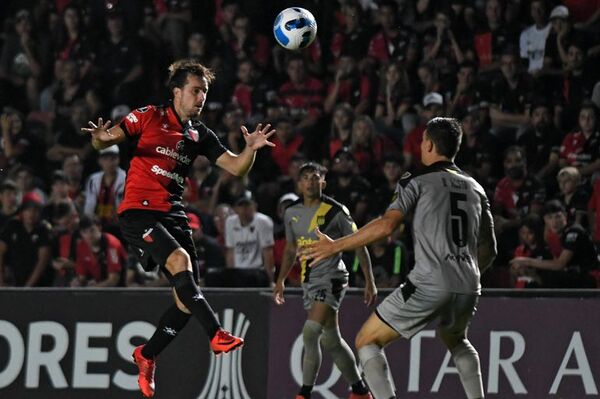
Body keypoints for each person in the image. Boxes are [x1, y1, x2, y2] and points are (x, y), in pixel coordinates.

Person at [80, 59, 275, 398]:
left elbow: (237, 167)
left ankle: (147, 354)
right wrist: (99, 139)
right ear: (177, 92)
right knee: (180, 261)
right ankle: (216, 333)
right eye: (196, 90)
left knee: (186, 299)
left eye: (205, 92)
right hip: (138, 213)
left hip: (172, 214)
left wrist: (250, 150)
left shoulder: (200, 134)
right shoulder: (148, 116)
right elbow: (104, 139)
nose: (201, 97)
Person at [302, 118, 497, 399]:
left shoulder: (416, 180)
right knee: (456, 340)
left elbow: (386, 226)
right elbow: (490, 250)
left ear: (428, 144)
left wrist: (336, 246)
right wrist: (464, 273)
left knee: (366, 341)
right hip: (469, 283)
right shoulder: (477, 189)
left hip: (429, 282)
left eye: (422, 141)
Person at [273, 161, 376, 399]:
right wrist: (280, 280)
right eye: (306, 177)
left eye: (315, 176)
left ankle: (304, 394)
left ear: (323, 182)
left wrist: (369, 280)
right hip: (309, 280)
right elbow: (290, 249)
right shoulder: (291, 213)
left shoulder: (336, 211)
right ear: (299, 183)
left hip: (332, 277)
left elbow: (359, 243)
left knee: (310, 332)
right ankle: (360, 392)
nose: (310, 180)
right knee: (332, 340)